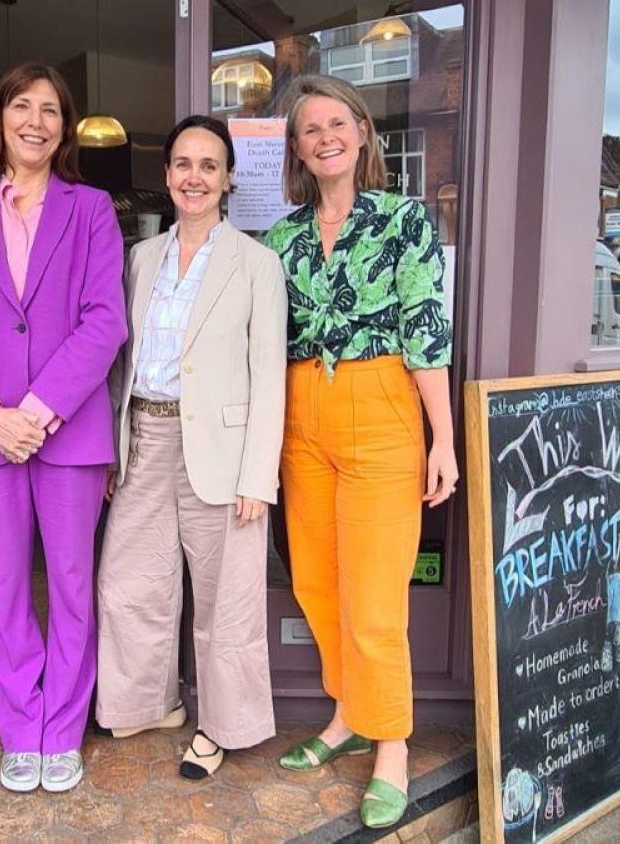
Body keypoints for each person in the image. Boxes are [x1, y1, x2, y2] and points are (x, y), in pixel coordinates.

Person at [0, 61, 127, 795]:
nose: (36, 121)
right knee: (6, 585)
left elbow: (106, 321)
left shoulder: (92, 208)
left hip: (66, 434)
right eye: (22, 107)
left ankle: (62, 729)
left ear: (65, 128)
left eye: (51, 110)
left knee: (72, 583)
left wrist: (35, 413)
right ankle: (19, 727)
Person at [263, 74, 458, 829]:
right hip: (301, 414)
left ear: (363, 133)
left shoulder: (404, 221)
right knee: (317, 583)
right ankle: (346, 715)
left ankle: (393, 746)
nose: (324, 137)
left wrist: (442, 437)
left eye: (336, 122)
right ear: (297, 149)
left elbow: (426, 333)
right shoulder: (279, 237)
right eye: (309, 129)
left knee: (375, 598)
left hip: (381, 408)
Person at [95, 116, 287, 779]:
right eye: (183, 164)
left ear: (228, 178)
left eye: (209, 165)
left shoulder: (258, 264)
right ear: (167, 175)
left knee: (224, 598)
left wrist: (259, 475)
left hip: (224, 451)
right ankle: (150, 702)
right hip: (146, 436)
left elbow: (269, 375)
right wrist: (115, 451)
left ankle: (221, 726)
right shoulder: (139, 258)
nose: (195, 177)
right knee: (129, 585)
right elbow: (122, 363)